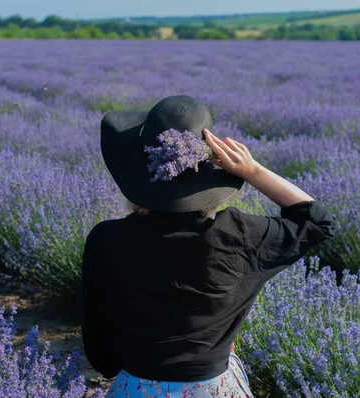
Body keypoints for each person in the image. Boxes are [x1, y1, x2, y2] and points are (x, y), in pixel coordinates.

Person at [79, 95, 337, 397]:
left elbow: (99, 348)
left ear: (136, 174)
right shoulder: (241, 236)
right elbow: (317, 222)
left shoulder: (106, 239)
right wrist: (252, 171)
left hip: (136, 388)